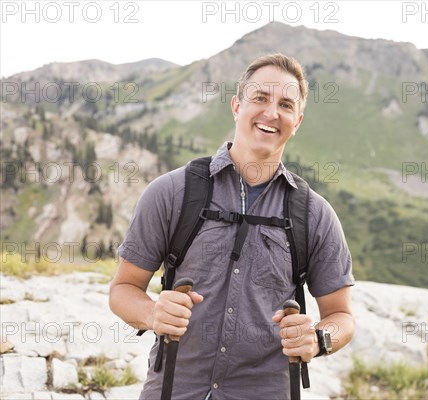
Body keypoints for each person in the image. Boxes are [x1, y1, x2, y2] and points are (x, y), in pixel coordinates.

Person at [109, 53, 355, 400]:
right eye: (260, 98)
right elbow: (123, 289)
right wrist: (152, 313)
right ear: (237, 105)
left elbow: (341, 315)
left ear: (297, 120)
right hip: (174, 390)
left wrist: (317, 339)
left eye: (285, 104)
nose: (272, 113)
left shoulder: (315, 214)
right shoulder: (172, 192)